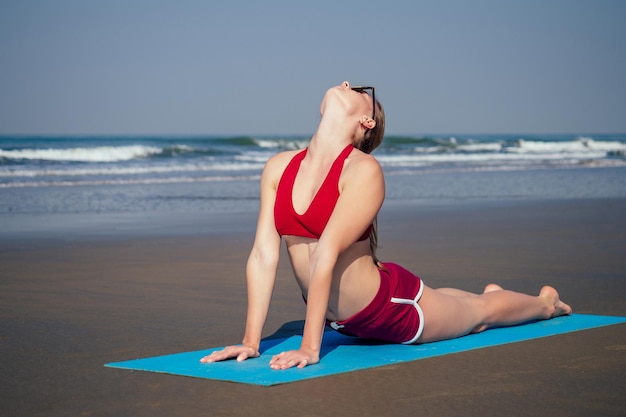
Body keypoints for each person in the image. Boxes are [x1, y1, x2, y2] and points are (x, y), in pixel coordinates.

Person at [200, 81, 572, 370]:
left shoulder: (363, 171)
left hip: (390, 305)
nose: (346, 83)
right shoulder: (278, 167)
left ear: (367, 121)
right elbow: (264, 255)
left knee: (478, 315)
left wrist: (310, 347)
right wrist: (251, 341)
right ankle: (489, 293)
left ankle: (545, 304)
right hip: (343, 323)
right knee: (458, 302)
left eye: (360, 89)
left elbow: (326, 252)